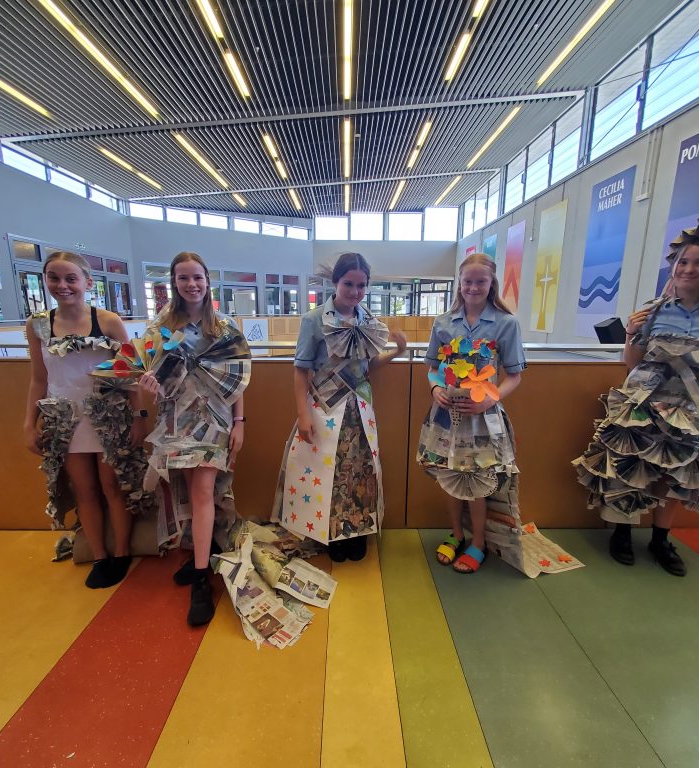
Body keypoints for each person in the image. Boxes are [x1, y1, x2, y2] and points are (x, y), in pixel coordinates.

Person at [573, 216, 699, 577]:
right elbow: (632, 363)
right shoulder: (654, 309)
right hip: (644, 398)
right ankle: (622, 532)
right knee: (631, 464)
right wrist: (631, 333)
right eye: (683, 261)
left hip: (692, 403)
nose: (688, 269)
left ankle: (661, 539)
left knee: (678, 471)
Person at [24, 251, 149, 589]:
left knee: (112, 486)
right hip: (65, 419)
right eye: (54, 278)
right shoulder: (38, 325)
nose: (62, 285)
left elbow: (130, 373)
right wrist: (29, 423)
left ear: (87, 283)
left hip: (108, 417)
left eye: (70, 278)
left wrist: (139, 417)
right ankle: (99, 555)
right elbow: (38, 378)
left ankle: (121, 552)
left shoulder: (108, 321)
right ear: (45, 281)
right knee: (84, 490)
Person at [138, 252, 251, 626]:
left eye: (197, 277)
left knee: (202, 491)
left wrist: (240, 422)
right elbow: (152, 380)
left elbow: (237, 380)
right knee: (189, 492)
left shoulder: (225, 327)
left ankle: (201, 578)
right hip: (175, 421)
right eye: (183, 277)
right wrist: (148, 386)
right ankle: (203, 555)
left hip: (214, 420)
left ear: (208, 280)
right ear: (174, 282)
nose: (192, 284)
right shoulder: (159, 328)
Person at [272, 252, 406, 562]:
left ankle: (356, 531)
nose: (355, 291)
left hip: (360, 409)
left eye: (361, 285)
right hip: (324, 407)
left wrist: (397, 352)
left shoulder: (368, 321)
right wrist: (302, 413)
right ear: (335, 282)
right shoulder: (314, 320)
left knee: (359, 471)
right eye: (349, 284)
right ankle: (331, 533)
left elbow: (369, 365)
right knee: (327, 470)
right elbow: (301, 369)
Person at [418, 253, 525, 573]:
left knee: (478, 482)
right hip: (446, 416)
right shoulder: (443, 322)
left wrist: (489, 400)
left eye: (481, 281)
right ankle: (457, 533)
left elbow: (514, 376)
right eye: (468, 281)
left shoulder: (505, 323)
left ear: (492, 284)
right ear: (459, 284)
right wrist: (435, 389)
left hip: (483, 418)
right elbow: (433, 369)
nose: (473, 287)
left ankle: (478, 542)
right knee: (449, 476)